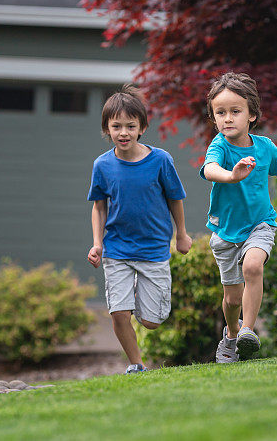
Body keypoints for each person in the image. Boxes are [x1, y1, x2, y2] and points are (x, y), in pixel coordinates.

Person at [200, 72, 277, 362]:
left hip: (260, 223)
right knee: (231, 299)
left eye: (235, 111)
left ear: (252, 115)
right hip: (225, 232)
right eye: (220, 113)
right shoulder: (219, 146)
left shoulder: (265, 146)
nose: (227, 118)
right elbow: (209, 170)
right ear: (214, 118)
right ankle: (231, 335)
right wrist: (231, 175)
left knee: (253, 267)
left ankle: (247, 331)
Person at [87, 84, 192, 373]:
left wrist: (180, 233)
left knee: (151, 321)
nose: (123, 132)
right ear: (107, 129)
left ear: (142, 127)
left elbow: (175, 198)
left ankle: (139, 293)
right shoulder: (102, 165)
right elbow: (98, 206)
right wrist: (97, 243)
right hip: (117, 248)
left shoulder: (160, 160)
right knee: (119, 313)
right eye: (116, 126)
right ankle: (136, 365)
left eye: (130, 126)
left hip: (154, 249)